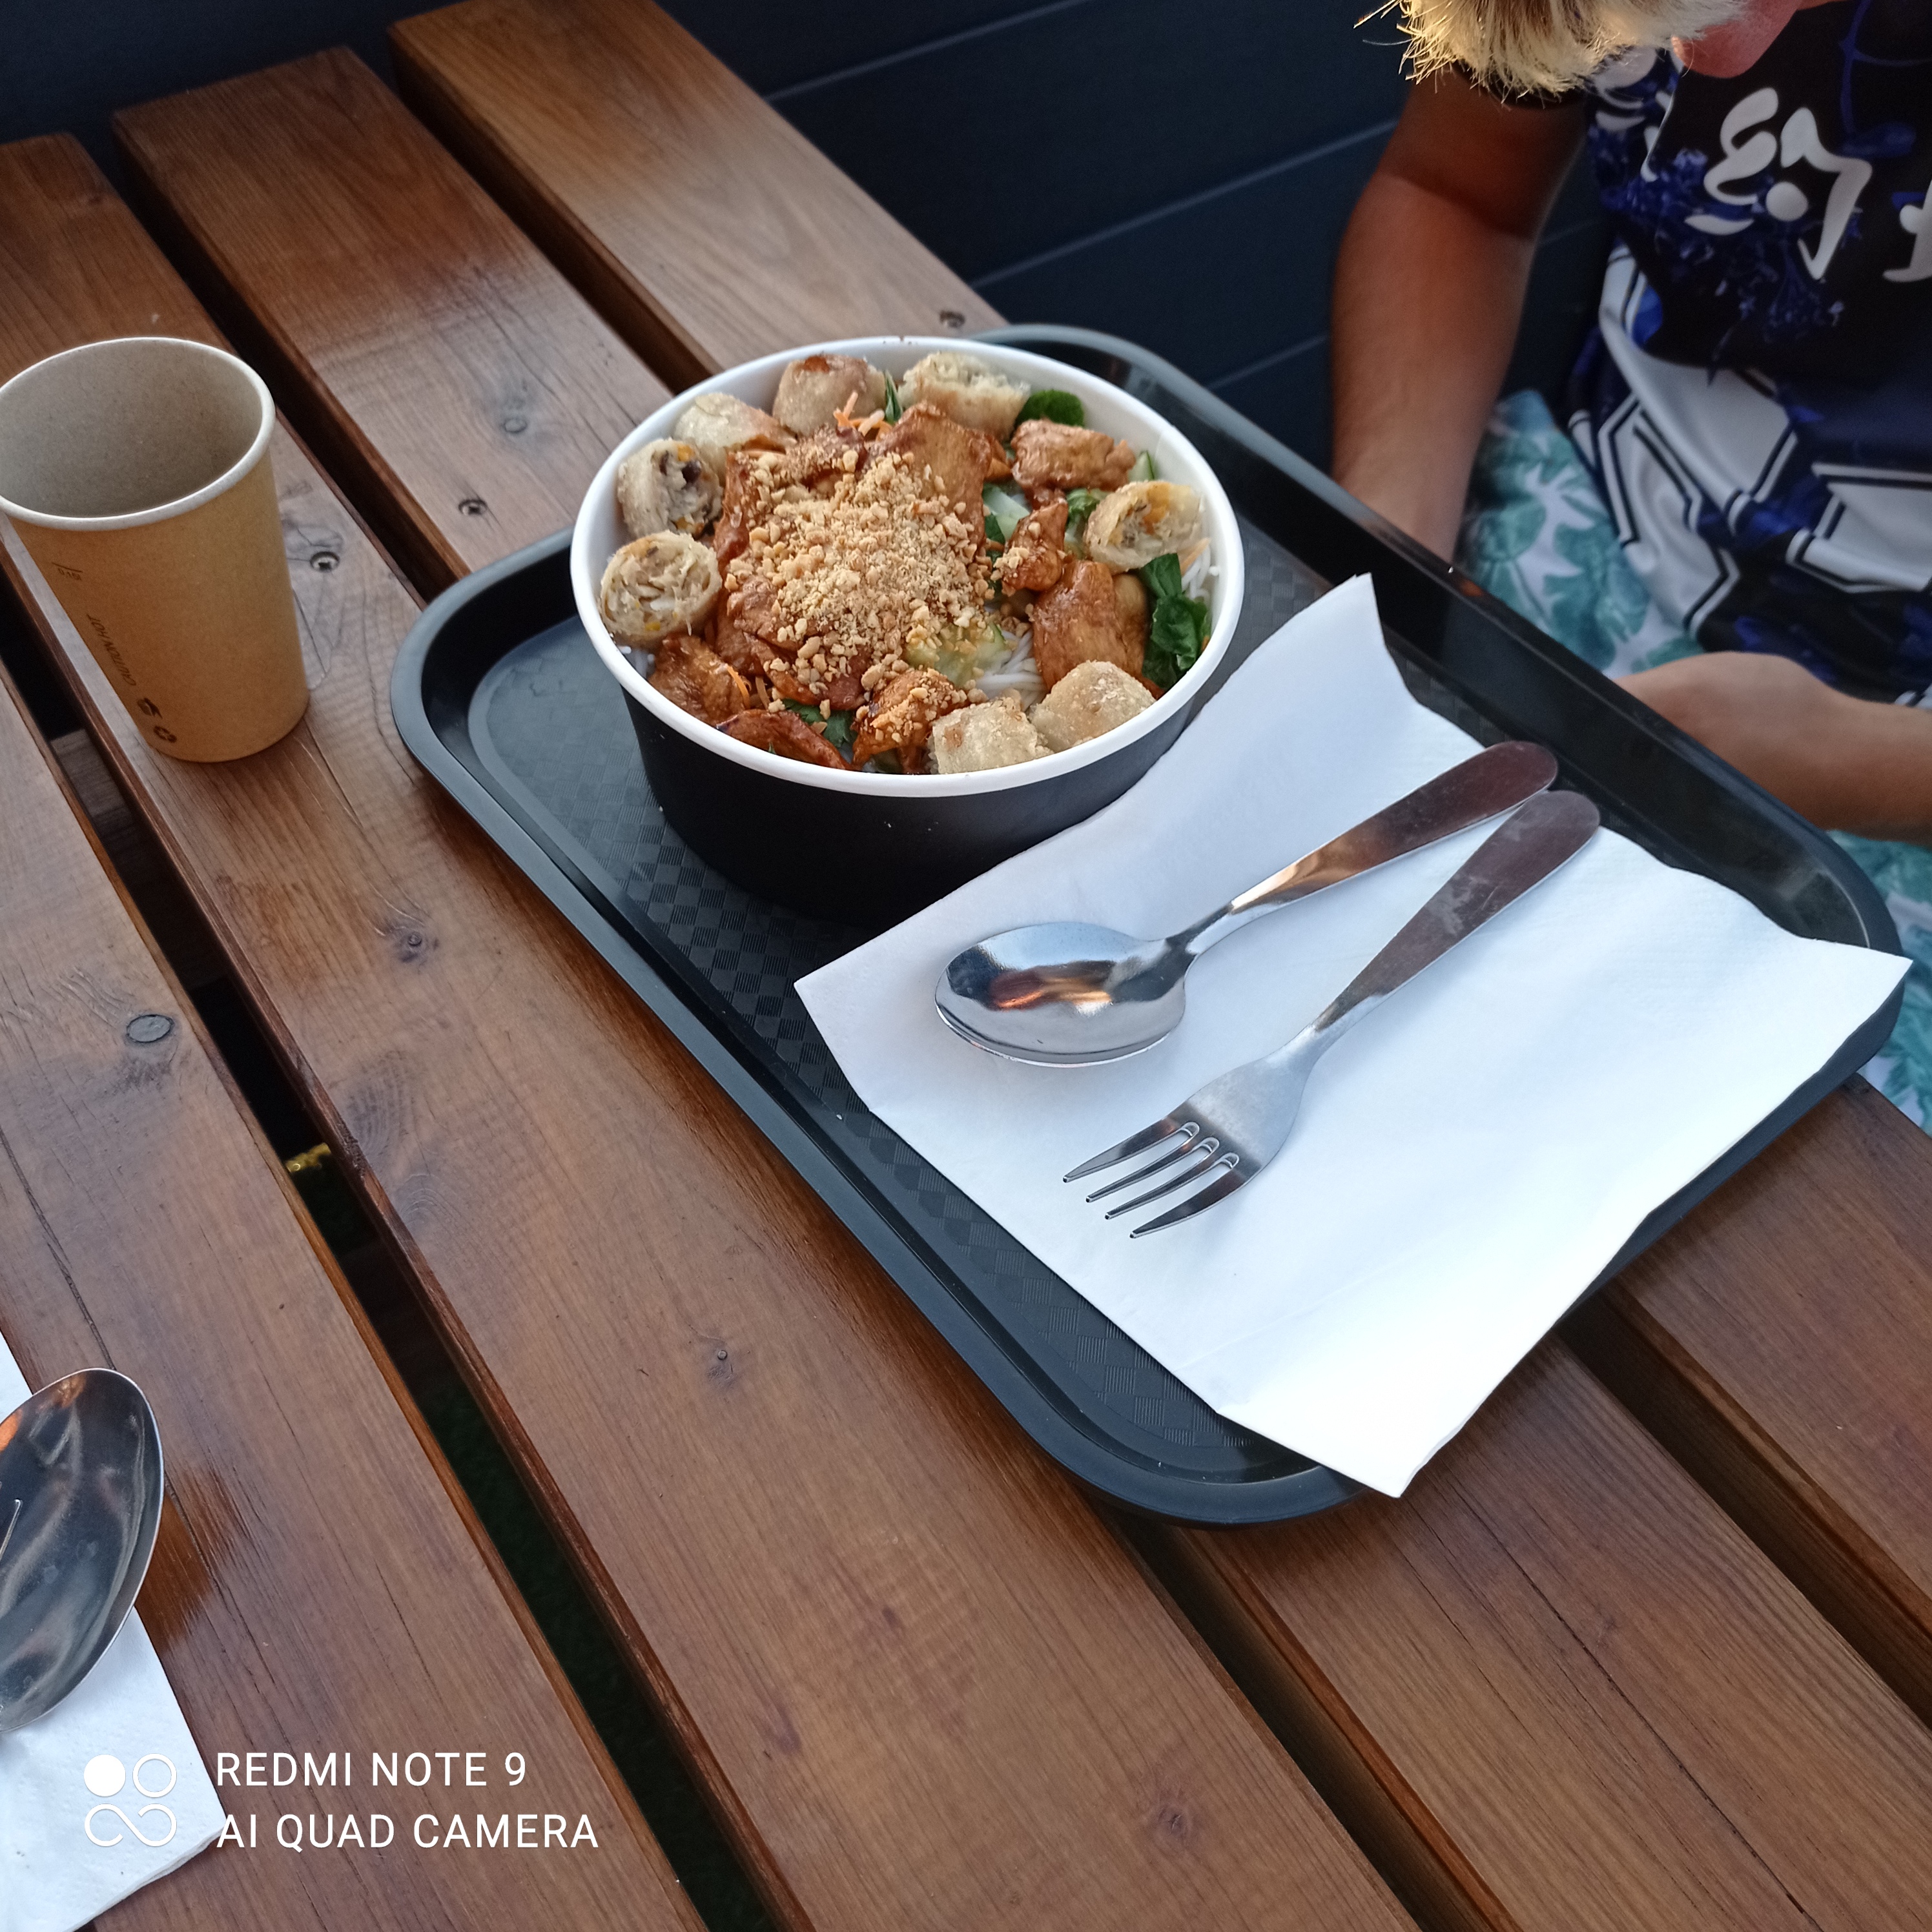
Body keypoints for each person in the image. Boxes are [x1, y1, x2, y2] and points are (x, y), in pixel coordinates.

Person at [1331, 0, 1932, 1122]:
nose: (1704, 61)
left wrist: (1848, 759)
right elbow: (1458, 195)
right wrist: (1395, 573)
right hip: (1583, 527)